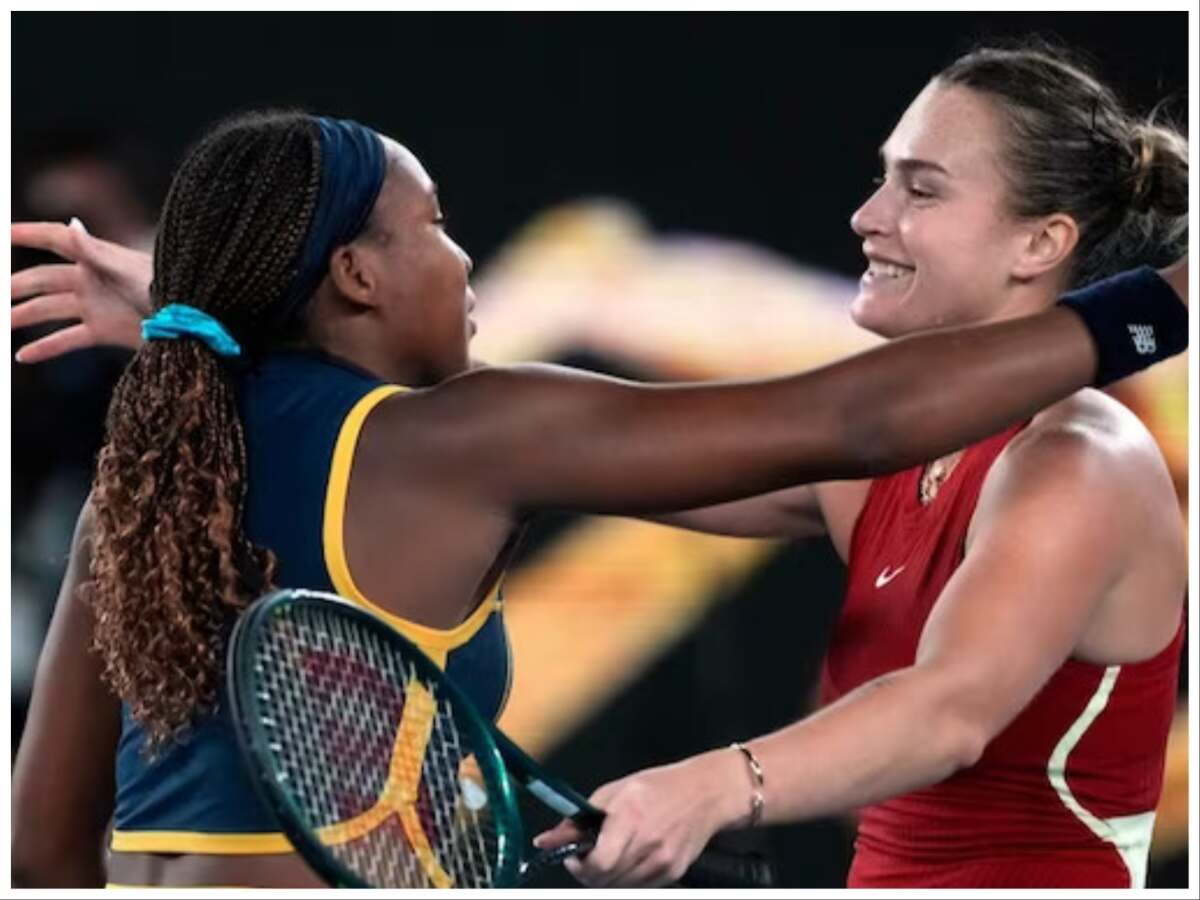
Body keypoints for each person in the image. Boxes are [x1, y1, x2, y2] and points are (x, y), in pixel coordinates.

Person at [8, 105, 1186, 888]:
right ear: (357, 276)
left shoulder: (160, 475)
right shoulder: (460, 433)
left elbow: (45, 840)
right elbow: (855, 421)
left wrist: (204, 294)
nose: (469, 262)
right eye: (435, 228)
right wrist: (1164, 305)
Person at [534, 45, 1190, 889]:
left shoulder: (1081, 462)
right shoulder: (879, 455)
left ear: (1040, 241)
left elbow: (948, 709)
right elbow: (612, 457)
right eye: (884, 178)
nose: (867, 215)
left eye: (921, 189)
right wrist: (413, 401)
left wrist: (708, 787)